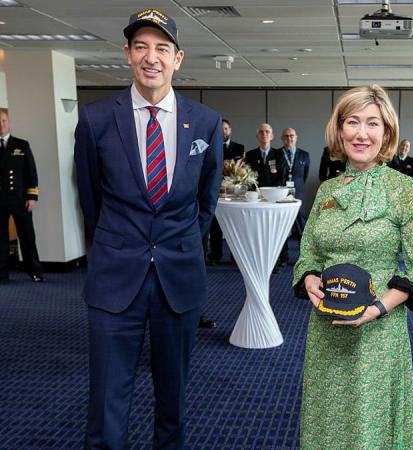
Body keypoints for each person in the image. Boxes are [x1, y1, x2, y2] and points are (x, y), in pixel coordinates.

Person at [74, 8, 222, 449]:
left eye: (161, 48)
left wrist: (176, 245)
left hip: (178, 277)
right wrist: (123, 244)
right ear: (127, 54)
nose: (150, 57)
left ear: (178, 59)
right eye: (141, 47)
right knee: (106, 399)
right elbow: (90, 199)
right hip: (115, 275)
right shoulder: (96, 119)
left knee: (172, 397)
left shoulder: (206, 122)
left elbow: (205, 201)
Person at [292, 84, 413, 449]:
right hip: (326, 329)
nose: (361, 133)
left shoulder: (405, 189)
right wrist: (309, 277)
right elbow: (308, 252)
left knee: (370, 423)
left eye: (372, 124)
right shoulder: (327, 190)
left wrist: (377, 308)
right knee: (326, 416)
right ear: (339, 130)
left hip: (379, 332)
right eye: (352, 122)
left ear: (387, 131)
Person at [0, 108, 45, 283]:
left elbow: (31, 173)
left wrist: (32, 196)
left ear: (9, 123)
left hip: (20, 199)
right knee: (0, 238)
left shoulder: (21, 145)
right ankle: (2, 273)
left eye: (3, 120)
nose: (1, 124)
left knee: (27, 236)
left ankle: (35, 271)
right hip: (0, 201)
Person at [267, 127, 310, 267]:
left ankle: (303, 259)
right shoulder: (275, 154)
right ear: (281, 138)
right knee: (282, 228)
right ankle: (283, 258)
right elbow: (273, 173)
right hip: (281, 194)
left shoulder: (304, 155)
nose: (289, 138)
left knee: (301, 227)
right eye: (286, 136)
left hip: (298, 195)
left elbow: (304, 176)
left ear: (296, 137)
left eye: (292, 136)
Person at [207, 118, 244, 265]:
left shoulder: (239, 148)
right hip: (215, 191)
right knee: (215, 226)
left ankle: (236, 257)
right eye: (221, 129)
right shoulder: (211, 146)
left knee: (235, 227)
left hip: (234, 192)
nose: (224, 131)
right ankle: (216, 255)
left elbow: (241, 169)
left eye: (226, 129)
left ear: (230, 130)